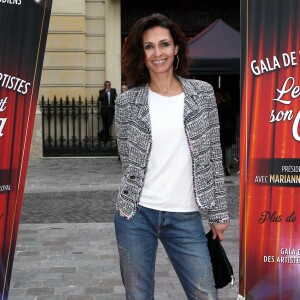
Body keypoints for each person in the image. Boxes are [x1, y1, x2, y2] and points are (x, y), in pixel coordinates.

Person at [114, 13, 230, 300]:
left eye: (164, 44)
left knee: (206, 294)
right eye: (149, 46)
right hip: (136, 214)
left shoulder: (201, 95)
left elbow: (214, 157)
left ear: (176, 47)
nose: (158, 53)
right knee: (138, 296)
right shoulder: (127, 102)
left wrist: (218, 213)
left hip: (185, 215)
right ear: (141, 53)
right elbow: (128, 160)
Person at [215, 90, 236, 176]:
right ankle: (227, 167)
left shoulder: (216, 107)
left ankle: (219, 168)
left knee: (218, 149)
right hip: (229, 130)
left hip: (219, 130)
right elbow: (233, 119)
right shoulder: (229, 106)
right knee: (228, 149)